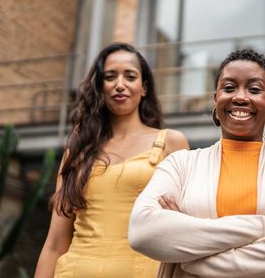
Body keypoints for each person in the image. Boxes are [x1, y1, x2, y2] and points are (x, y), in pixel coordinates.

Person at [128, 49, 265, 278]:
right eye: (229, 88)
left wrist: (192, 251)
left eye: (254, 89)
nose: (240, 97)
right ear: (215, 98)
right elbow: (142, 231)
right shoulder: (180, 164)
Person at [34, 42, 190, 278]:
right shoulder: (78, 151)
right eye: (110, 77)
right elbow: (55, 244)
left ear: (144, 87)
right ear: (100, 86)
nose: (120, 85)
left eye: (130, 76)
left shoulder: (172, 143)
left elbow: (187, 229)